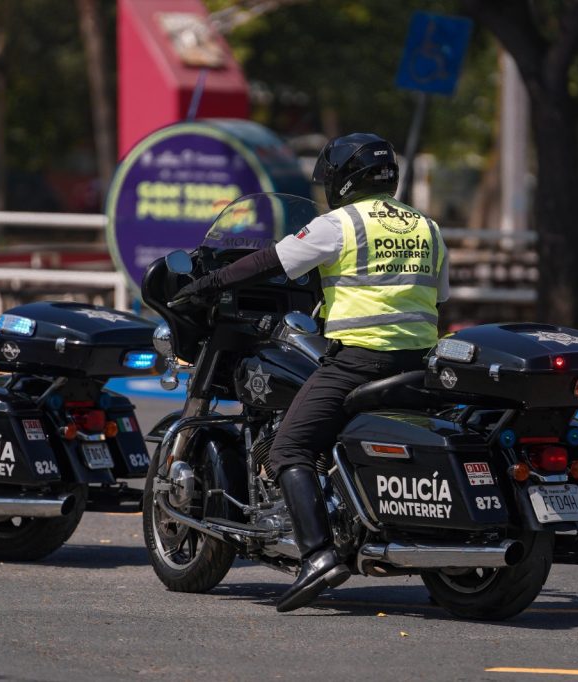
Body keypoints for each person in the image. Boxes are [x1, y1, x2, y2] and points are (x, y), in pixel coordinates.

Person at [175, 133, 449, 612]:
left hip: (360, 361)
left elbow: (271, 261)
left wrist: (208, 283)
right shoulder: (427, 227)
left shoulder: (341, 224)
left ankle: (318, 556)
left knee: (290, 448)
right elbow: (438, 295)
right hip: (421, 364)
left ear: (344, 180)